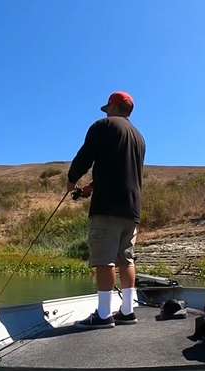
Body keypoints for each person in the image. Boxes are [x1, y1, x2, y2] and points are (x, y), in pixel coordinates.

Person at [67, 91, 146, 329]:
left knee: (104, 260)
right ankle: (128, 311)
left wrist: (72, 181)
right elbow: (120, 170)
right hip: (131, 209)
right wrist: (92, 186)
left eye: (107, 107)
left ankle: (103, 316)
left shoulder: (103, 126)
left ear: (113, 105)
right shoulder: (139, 137)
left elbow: (85, 156)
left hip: (107, 208)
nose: (106, 111)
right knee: (126, 259)